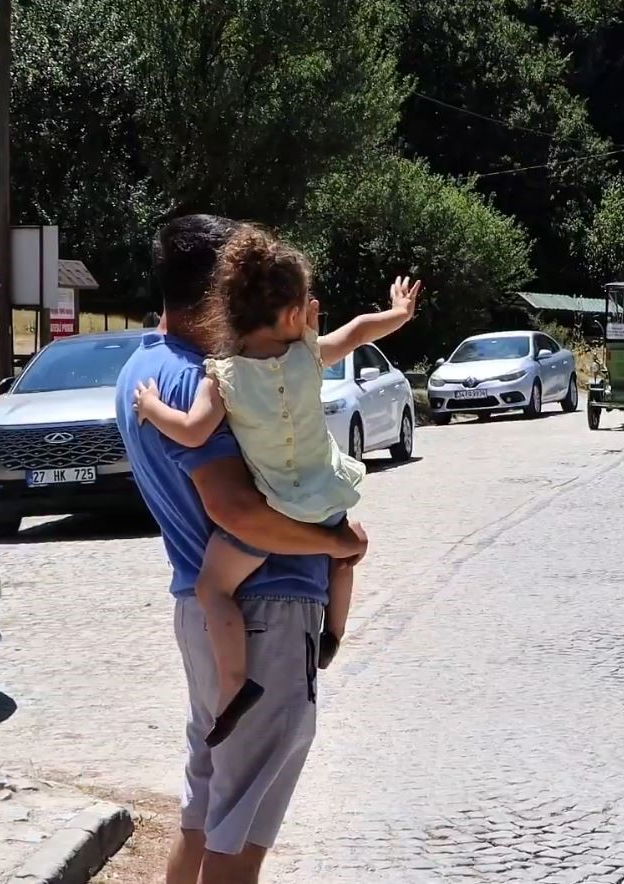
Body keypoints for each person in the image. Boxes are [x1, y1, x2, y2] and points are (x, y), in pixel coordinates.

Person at [115, 214, 368, 884]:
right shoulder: (203, 377)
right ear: (210, 296)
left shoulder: (143, 368)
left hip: (209, 613)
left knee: (208, 803)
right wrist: (336, 540)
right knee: (242, 826)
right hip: (266, 612)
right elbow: (235, 510)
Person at [132, 223, 421, 739]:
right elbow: (357, 330)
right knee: (343, 552)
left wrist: (153, 409)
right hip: (325, 493)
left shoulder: (220, 374)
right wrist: (399, 314)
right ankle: (334, 632)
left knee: (213, 586)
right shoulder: (309, 357)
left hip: (274, 511)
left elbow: (195, 434)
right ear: (293, 314)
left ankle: (236, 681)